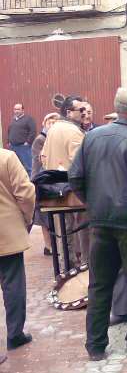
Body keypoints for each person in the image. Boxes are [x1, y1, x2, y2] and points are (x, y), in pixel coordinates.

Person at [69, 88, 127, 360]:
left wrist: (93, 204)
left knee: (100, 284)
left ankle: (95, 345)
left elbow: (75, 177)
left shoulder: (92, 137)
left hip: (101, 222)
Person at [41, 95, 88, 270]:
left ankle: (67, 265)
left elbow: (43, 157)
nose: (84, 113)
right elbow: (79, 163)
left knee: (63, 230)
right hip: (73, 189)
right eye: (80, 110)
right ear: (68, 112)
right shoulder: (73, 132)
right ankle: (83, 265)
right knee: (81, 229)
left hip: (56, 188)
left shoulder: (53, 129)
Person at [0, 148, 35, 356]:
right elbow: (25, 193)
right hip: (6, 230)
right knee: (13, 283)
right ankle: (14, 333)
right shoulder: (6, 158)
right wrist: (27, 218)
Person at [31, 112, 61, 256]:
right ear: (44, 123)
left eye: (55, 122)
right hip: (42, 180)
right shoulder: (40, 140)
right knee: (44, 216)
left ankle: (53, 245)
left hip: (52, 180)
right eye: (50, 122)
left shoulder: (55, 138)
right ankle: (48, 246)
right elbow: (39, 161)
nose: (52, 125)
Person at [7, 103, 37, 177]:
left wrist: (28, 142)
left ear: (23, 110)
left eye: (18, 109)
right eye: (15, 109)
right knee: (15, 166)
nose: (16, 111)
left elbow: (33, 131)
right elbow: (9, 131)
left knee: (28, 167)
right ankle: (19, 180)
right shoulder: (13, 119)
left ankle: (31, 181)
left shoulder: (28, 119)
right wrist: (8, 141)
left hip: (23, 147)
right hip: (12, 147)